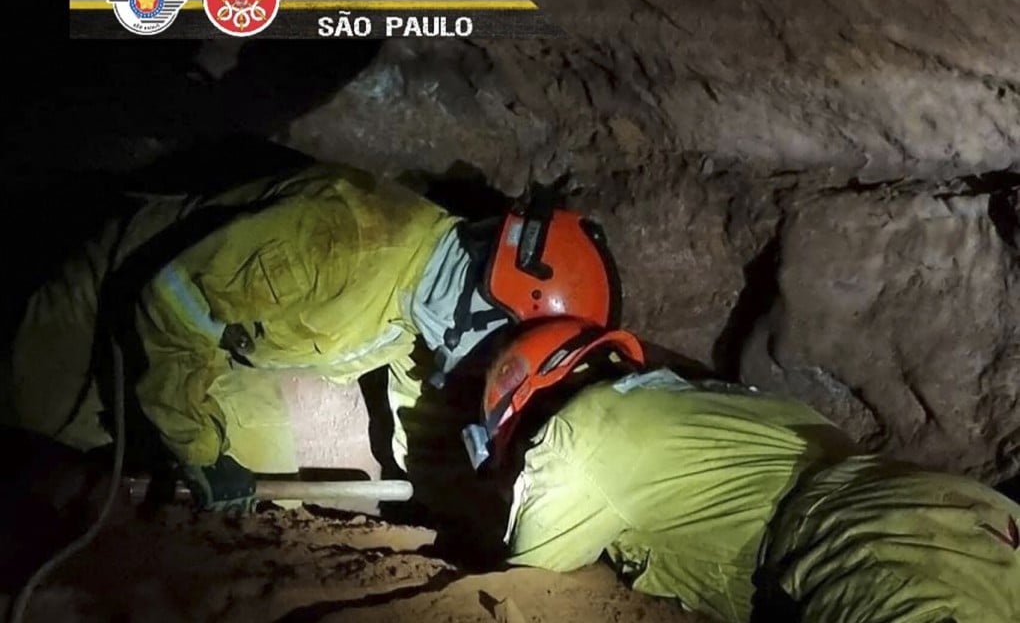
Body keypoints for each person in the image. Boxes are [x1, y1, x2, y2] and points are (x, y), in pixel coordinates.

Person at [3, 162, 622, 513]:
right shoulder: (343, 238)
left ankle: (150, 436)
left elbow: (416, 395)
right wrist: (198, 447)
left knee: (270, 473)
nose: (504, 364)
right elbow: (174, 299)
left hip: (224, 342)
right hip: (124, 287)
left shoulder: (432, 304)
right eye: (514, 343)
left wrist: (439, 489)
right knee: (34, 405)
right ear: (495, 301)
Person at [462, 318, 1020, 623]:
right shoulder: (701, 397)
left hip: (860, 541)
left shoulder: (578, 435)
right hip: (974, 517)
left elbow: (529, 571)